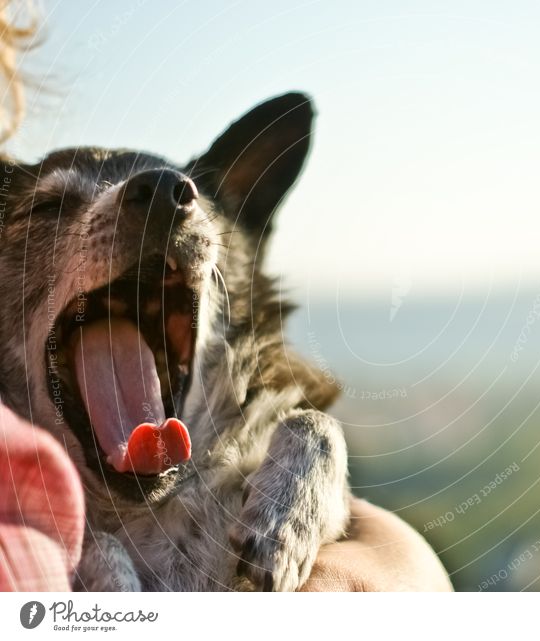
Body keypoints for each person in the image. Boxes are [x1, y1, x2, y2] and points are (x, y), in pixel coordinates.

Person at [0, 3, 452, 593]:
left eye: (186, 200)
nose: (151, 202)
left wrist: (316, 455)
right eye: (50, 208)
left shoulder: (277, 468)